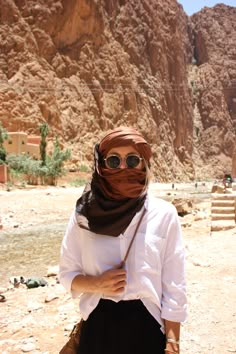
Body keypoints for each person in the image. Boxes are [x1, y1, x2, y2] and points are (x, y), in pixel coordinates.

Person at [59, 127, 187, 354]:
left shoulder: (164, 214)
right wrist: (97, 284)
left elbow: (174, 285)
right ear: (101, 165)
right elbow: (67, 274)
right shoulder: (83, 216)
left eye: (132, 160)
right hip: (97, 329)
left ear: (144, 164)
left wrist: (173, 341)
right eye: (114, 161)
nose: (123, 168)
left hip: (148, 329)